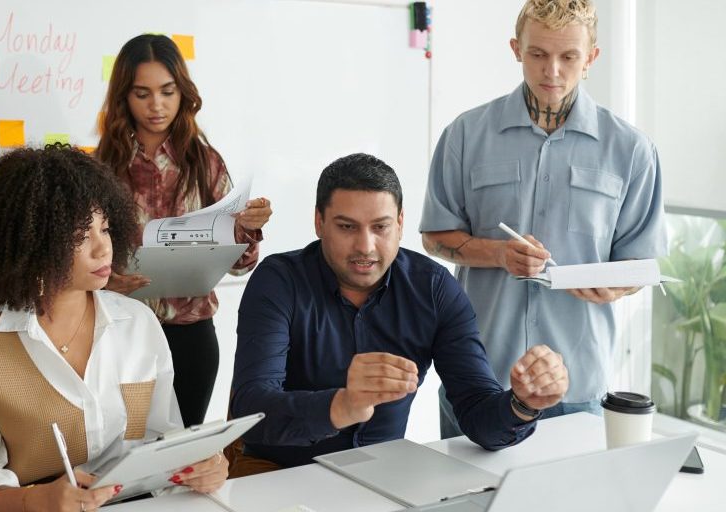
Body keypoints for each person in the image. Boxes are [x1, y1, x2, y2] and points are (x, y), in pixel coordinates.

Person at [229, 153, 569, 475]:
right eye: (347, 227)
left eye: (381, 227)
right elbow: (250, 411)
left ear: (401, 223)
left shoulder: (433, 288)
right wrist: (342, 405)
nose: (365, 246)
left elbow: (477, 413)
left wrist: (523, 404)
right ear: (319, 223)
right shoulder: (279, 281)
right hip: (278, 476)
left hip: (383, 480)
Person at [419, 0, 666, 438]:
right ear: (516, 49)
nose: (552, 70)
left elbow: (641, 263)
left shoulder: (631, 151)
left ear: (591, 57)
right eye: (538, 54)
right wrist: (498, 254)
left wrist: (618, 283)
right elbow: (435, 237)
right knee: (464, 507)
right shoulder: (465, 134)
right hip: (478, 377)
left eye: (568, 56)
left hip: (578, 383)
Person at [0, 145, 229, 512]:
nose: (103, 249)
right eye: (80, 235)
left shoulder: (137, 324)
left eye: (105, 228)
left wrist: (199, 464)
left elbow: (163, 438)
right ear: (30, 242)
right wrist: (37, 499)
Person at [95, 34, 273, 427]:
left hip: (192, 336)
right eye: (142, 93)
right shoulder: (102, 167)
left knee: (181, 459)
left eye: (167, 92)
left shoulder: (205, 163)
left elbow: (240, 267)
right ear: (124, 96)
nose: (156, 105)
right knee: (124, 457)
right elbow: (78, 256)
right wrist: (106, 285)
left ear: (183, 93)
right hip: (121, 333)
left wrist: (245, 230)